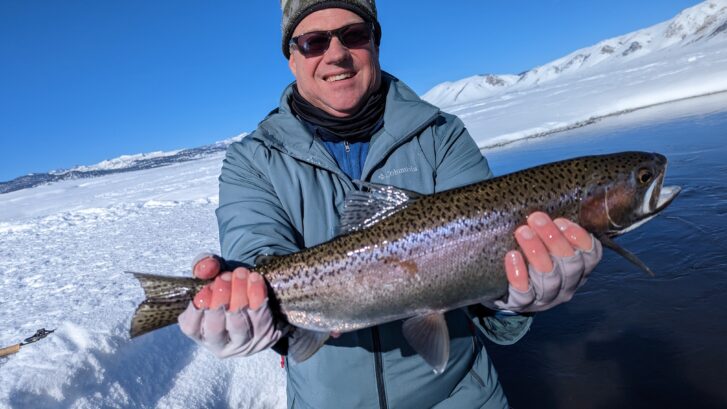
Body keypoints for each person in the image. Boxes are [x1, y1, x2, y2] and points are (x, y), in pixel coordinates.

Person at [178, 1, 603, 407]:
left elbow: (487, 268)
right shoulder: (252, 160)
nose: (337, 54)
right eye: (314, 42)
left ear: (376, 43)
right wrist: (253, 314)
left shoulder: (441, 135)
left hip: (463, 398)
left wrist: (512, 300)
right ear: (292, 58)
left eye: (353, 35)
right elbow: (257, 251)